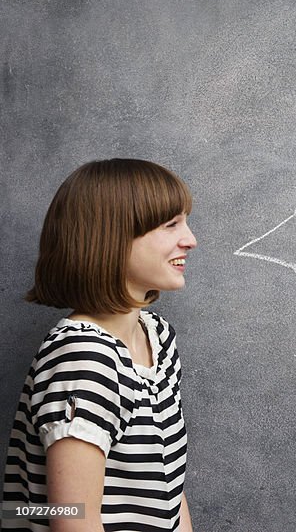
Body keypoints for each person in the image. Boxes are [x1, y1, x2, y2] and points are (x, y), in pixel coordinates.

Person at [2, 159, 197, 531]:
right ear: (112, 237)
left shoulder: (157, 337)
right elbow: (73, 518)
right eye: (171, 224)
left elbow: (170, 491)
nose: (190, 239)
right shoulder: (85, 359)